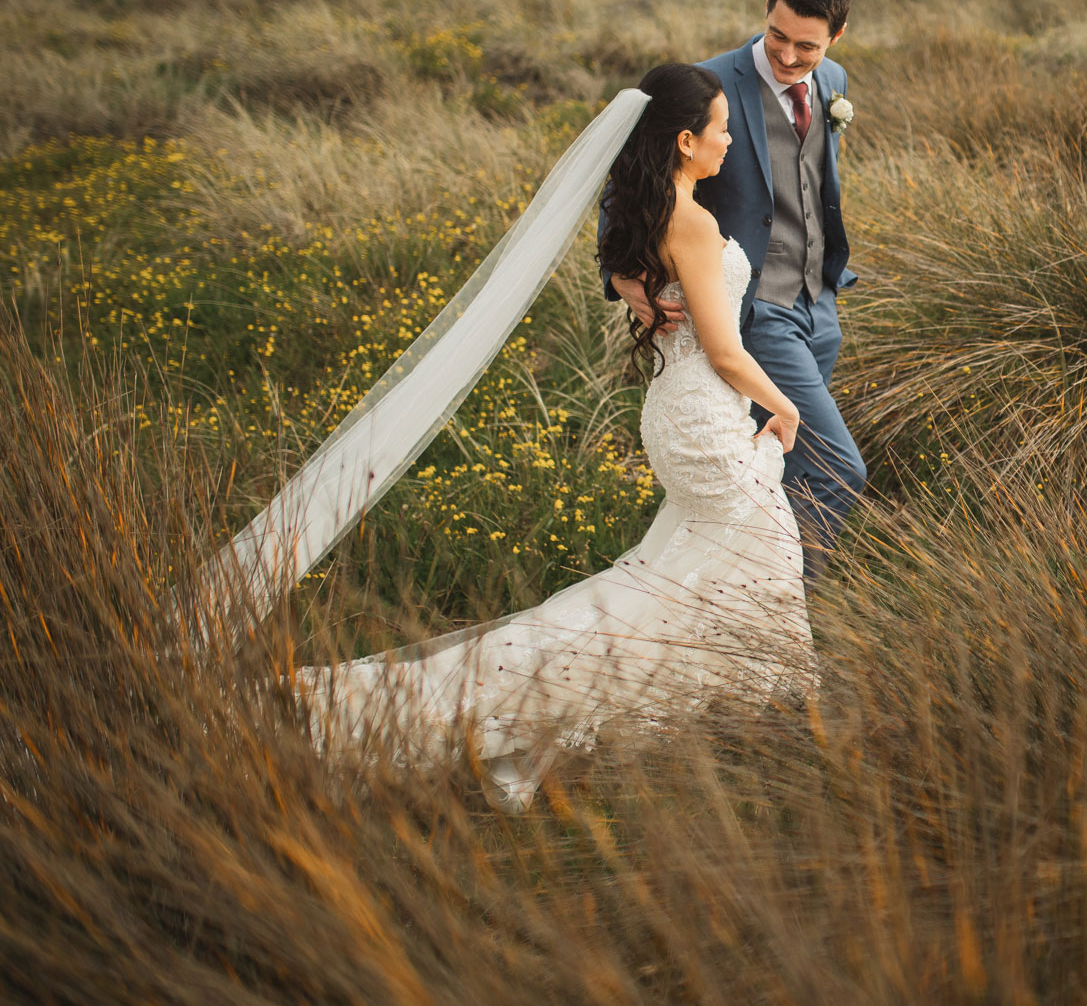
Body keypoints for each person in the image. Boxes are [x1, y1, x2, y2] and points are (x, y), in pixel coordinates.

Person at [294, 64, 812, 812]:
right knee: (741, 565)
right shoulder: (691, 222)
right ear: (685, 139)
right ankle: (482, 709)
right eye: (722, 129)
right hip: (704, 413)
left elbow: (666, 309)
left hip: (684, 409)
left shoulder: (657, 210)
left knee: (679, 581)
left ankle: (525, 746)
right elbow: (725, 350)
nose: (731, 142)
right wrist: (783, 404)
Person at [603, 0, 865, 581]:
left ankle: (721, 598)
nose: (789, 56)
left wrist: (823, 282)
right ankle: (788, 600)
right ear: (766, 10)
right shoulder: (710, 83)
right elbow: (627, 182)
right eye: (778, 36)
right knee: (836, 466)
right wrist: (620, 273)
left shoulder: (833, 79)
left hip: (817, 304)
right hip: (752, 315)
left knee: (768, 465)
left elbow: (814, 186)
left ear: (837, 37)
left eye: (808, 45)